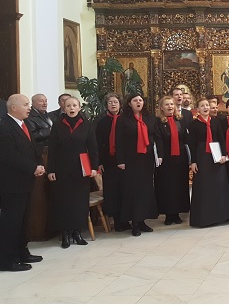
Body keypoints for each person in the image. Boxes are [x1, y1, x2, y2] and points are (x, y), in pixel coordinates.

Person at [0, 94, 45, 272]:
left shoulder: (22, 124)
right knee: (11, 221)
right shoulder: (4, 126)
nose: (29, 107)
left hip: (25, 181)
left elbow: (31, 148)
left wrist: (39, 164)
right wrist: (32, 167)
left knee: (23, 220)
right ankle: (7, 259)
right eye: (26, 104)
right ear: (13, 108)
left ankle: (21, 251)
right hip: (11, 183)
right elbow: (9, 155)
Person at [46, 96, 99, 248]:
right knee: (63, 201)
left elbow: (93, 148)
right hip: (62, 169)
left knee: (79, 202)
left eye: (74, 105)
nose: (71, 108)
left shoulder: (87, 125)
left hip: (81, 169)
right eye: (68, 105)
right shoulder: (57, 125)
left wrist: (94, 168)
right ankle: (65, 234)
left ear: (79, 107)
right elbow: (53, 149)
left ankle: (77, 232)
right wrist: (51, 170)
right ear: (64, 107)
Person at [115, 93, 160, 236]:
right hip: (130, 160)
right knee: (133, 191)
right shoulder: (123, 119)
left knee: (145, 190)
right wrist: (120, 160)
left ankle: (142, 220)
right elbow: (119, 141)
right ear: (129, 103)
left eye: (140, 100)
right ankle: (134, 222)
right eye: (135, 100)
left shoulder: (149, 118)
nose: (138, 102)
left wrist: (159, 155)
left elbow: (155, 137)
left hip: (146, 159)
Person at [188, 97, 229, 227]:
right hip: (202, 157)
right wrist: (193, 161)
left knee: (219, 184)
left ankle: (221, 216)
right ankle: (204, 218)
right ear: (197, 109)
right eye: (202, 106)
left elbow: (221, 138)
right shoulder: (193, 125)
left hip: (216, 154)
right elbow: (192, 144)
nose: (205, 108)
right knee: (204, 186)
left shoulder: (216, 122)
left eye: (207, 105)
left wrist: (224, 154)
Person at [154, 96, 190, 225]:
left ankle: (178, 213)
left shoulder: (180, 120)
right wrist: (159, 156)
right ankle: (169, 214)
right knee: (167, 186)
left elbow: (186, 139)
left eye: (171, 104)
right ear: (161, 108)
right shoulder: (158, 122)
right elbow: (158, 139)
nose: (170, 107)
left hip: (180, 158)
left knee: (179, 185)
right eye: (167, 104)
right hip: (166, 158)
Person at [95, 93, 128, 231]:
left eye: (115, 102)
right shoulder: (101, 122)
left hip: (125, 161)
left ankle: (126, 218)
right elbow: (98, 143)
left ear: (120, 104)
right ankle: (117, 220)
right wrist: (100, 162)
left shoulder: (126, 120)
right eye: (110, 103)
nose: (113, 104)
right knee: (112, 191)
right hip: (108, 161)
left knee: (125, 190)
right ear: (106, 105)